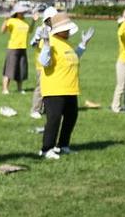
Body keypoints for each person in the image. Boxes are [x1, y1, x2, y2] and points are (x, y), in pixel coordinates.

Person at [37, 13, 94, 159]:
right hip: (54, 89)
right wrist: (46, 44)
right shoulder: (49, 42)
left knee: (71, 117)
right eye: (66, 29)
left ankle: (63, 145)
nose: (68, 31)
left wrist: (83, 44)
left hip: (70, 88)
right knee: (54, 119)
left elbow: (73, 57)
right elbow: (44, 62)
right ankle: (46, 149)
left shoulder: (66, 43)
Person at [28, 6, 58, 119]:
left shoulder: (56, 30)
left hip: (53, 64)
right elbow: (33, 44)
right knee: (40, 88)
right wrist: (37, 38)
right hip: (41, 65)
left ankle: (46, 108)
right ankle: (35, 109)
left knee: (51, 87)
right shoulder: (41, 29)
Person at [0, 2, 31, 94]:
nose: (23, 13)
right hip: (13, 48)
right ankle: (5, 89)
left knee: (21, 69)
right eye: (21, 12)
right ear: (17, 13)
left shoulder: (25, 22)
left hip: (23, 47)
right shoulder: (11, 21)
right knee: (9, 69)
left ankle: (20, 88)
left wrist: (33, 21)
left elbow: (30, 31)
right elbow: (2, 31)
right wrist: (5, 20)